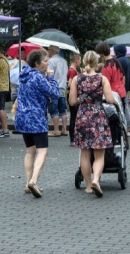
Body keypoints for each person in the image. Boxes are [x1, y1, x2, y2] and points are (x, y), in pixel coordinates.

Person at [69, 50, 115, 198]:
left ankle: (89, 186)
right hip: (98, 118)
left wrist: (83, 98)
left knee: (85, 154)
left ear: (84, 61)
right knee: (99, 155)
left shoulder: (77, 79)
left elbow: (72, 102)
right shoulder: (102, 79)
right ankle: (96, 180)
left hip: (82, 117)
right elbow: (110, 100)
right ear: (96, 62)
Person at [14, 49, 60, 198]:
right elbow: (54, 94)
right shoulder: (39, 78)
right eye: (45, 61)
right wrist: (51, 78)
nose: (48, 64)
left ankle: (28, 183)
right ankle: (33, 181)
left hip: (23, 117)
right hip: (36, 118)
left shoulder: (24, 76)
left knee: (30, 151)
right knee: (42, 150)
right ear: (37, 63)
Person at [46, 45, 69, 137]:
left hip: (54, 88)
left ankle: (56, 130)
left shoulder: (51, 61)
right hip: (63, 87)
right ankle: (64, 129)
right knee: (63, 110)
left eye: (48, 50)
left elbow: (49, 74)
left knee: (54, 110)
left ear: (52, 51)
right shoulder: (64, 61)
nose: (47, 51)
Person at [114, 44, 130, 133]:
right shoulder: (127, 60)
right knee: (125, 106)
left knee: (123, 107)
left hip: (121, 87)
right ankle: (128, 125)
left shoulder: (119, 61)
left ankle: (127, 125)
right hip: (127, 86)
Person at [67, 53, 81, 146]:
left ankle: (74, 137)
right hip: (74, 96)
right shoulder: (73, 71)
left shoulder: (72, 70)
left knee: (74, 116)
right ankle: (73, 137)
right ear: (76, 61)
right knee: (74, 117)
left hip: (73, 95)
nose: (80, 62)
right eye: (80, 60)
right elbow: (70, 84)